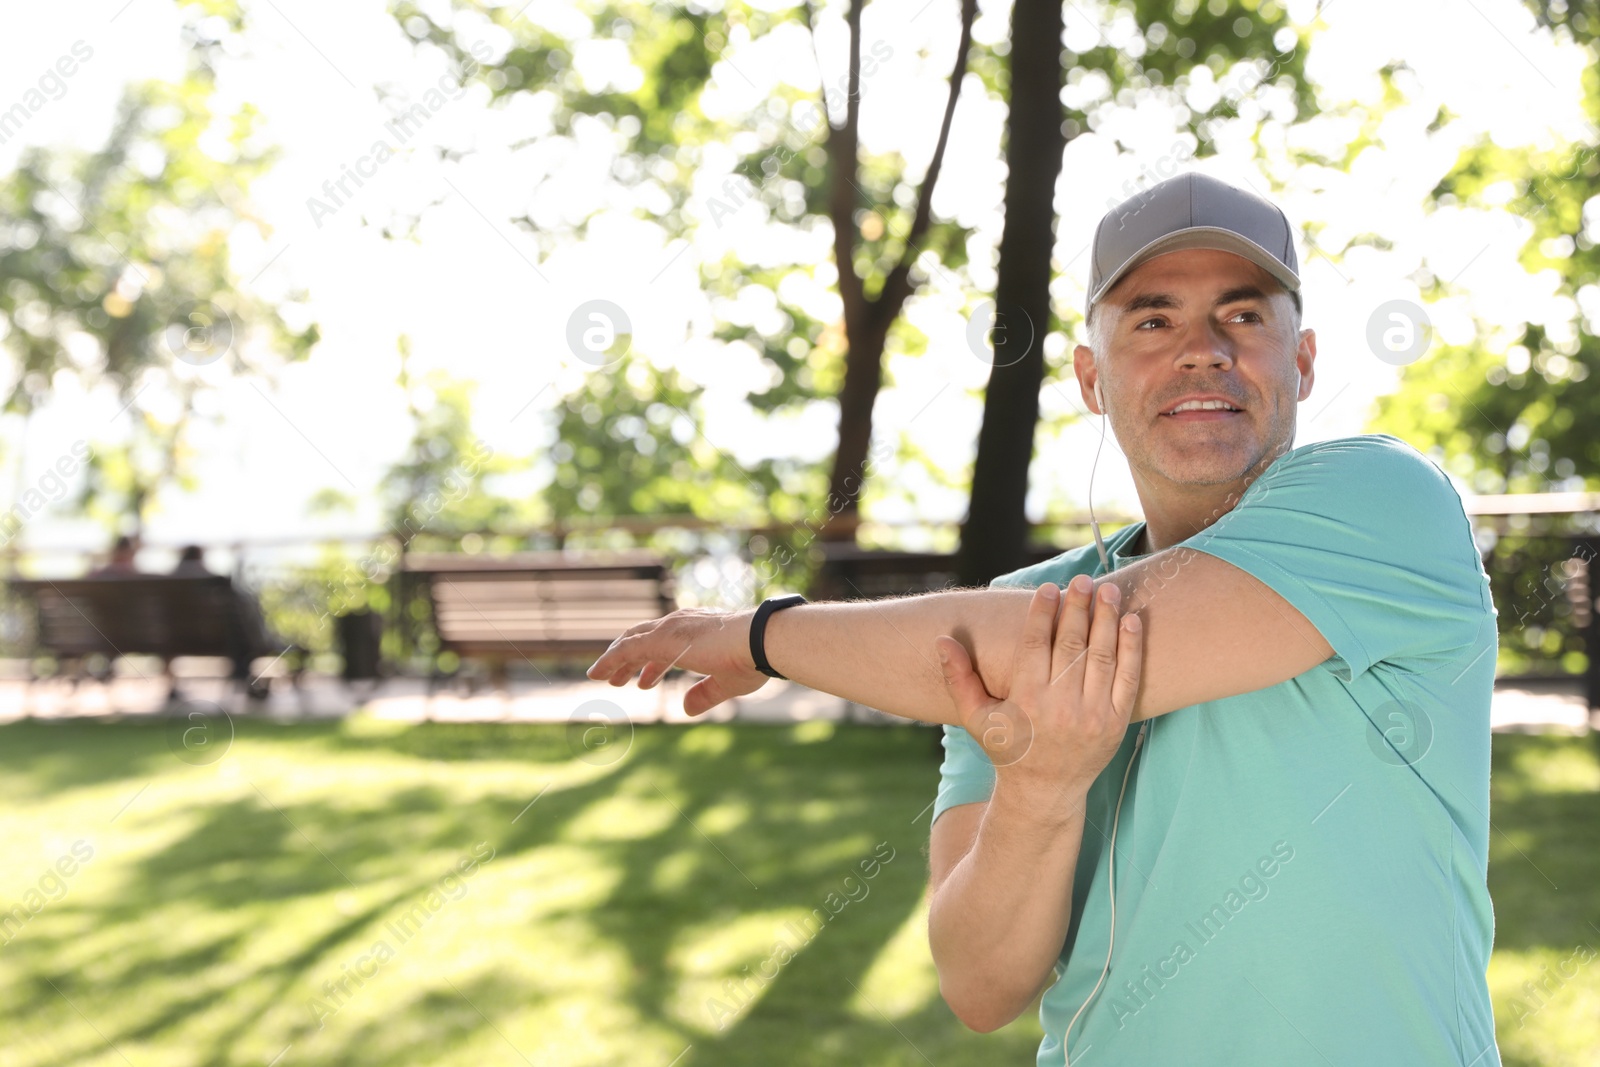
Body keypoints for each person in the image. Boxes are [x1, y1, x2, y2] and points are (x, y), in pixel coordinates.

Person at [587, 172, 1500, 1065]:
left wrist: (765, 636)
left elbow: (1045, 651)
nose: (1203, 348)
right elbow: (981, 989)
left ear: (1301, 360)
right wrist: (1039, 790)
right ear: (1091, 377)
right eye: (1153, 318)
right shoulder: (1024, 602)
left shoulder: (1386, 502)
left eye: (1245, 314)